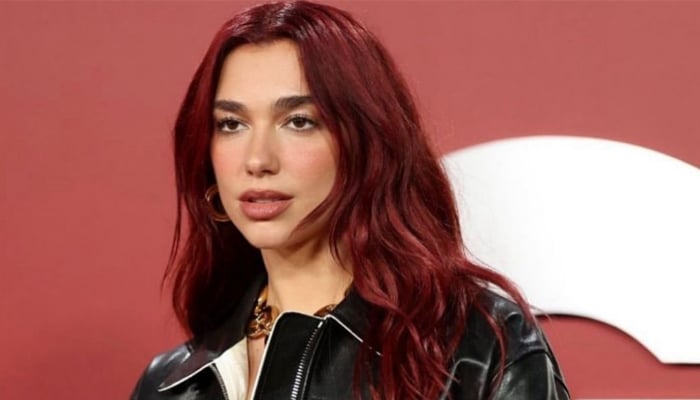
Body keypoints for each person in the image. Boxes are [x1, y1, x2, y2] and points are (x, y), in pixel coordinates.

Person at [131, 1, 570, 399]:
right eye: (231, 124)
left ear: (366, 143)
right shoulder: (171, 385)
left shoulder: (477, 349)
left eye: (298, 121)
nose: (258, 160)